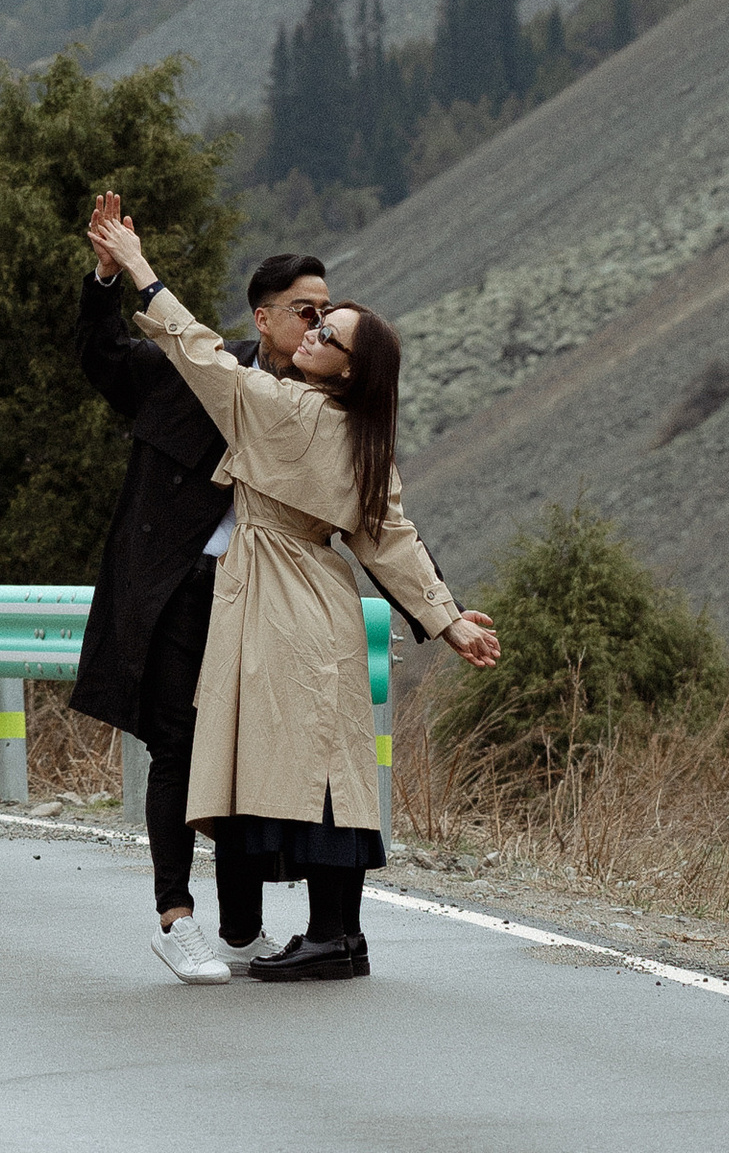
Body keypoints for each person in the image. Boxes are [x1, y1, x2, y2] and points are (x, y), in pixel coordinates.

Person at [86, 187, 501, 982]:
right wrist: (447, 622)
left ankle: (325, 937)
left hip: (277, 599)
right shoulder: (361, 437)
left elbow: (198, 349)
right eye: (313, 321)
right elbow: (392, 539)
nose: (313, 332)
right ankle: (323, 933)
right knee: (324, 765)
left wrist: (137, 267)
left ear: (348, 368)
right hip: (322, 598)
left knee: (302, 770)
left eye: (329, 333)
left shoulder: (284, 412)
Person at [69, 241, 338, 981]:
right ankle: (175, 918)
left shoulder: (316, 410)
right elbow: (102, 355)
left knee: (244, 757)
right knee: (178, 749)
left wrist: (445, 610)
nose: (317, 323)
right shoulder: (193, 371)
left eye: (326, 312)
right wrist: (106, 278)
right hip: (178, 588)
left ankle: (242, 930)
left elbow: (375, 511)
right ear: (264, 317)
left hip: (259, 599)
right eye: (304, 311)